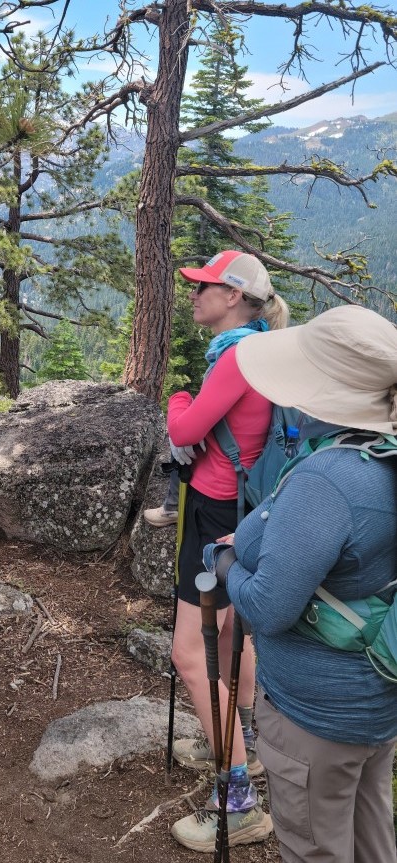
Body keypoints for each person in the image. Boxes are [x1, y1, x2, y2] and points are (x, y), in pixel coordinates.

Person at [205, 304, 397, 863]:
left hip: (315, 715)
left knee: (314, 847)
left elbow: (268, 608)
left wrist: (226, 568)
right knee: (370, 834)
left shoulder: (328, 479)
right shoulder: (382, 457)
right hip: (372, 703)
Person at [161, 251, 290, 851]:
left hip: (218, 515)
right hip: (241, 511)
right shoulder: (258, 347)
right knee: (230, 640)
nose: (194, 295)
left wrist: (177, 401)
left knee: (190, 654)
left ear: (234, 296)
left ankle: (238, 798)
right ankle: (245, 748)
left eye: (204, 287)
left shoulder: (235, 357)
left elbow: (186, 432)